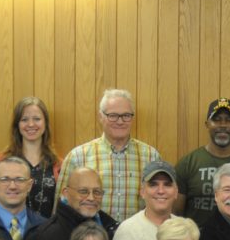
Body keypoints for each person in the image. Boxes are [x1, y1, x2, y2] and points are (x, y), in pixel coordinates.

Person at [55, 88, 162, 222]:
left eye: (126, 115)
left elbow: (161, 204)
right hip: (89, 239)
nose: (120, 121)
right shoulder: (77, 157)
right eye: (113, 115)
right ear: (101, 117)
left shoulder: (151, 157)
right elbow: (61, 206)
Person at [173, 98, 230, 227]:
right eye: (216, 120)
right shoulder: (187, 164)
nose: (223, 125)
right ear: (207, 124)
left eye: (229, 120)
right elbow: (176, 213)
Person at [0, 97, 61, 217]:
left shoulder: (58, 164)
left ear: (45, 123)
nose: (31, 124)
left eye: (37, 119)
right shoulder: (0, 161)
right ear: (17, 125)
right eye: (24, 119)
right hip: (8, 234)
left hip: (47, 234)